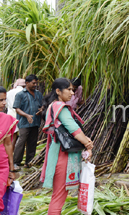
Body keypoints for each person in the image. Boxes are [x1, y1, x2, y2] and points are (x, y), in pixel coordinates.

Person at [40, 78, 93, 215]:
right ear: (58, 91)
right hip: (61, 156)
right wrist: (87, 144)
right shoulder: (59, 106)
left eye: (72, 90)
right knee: (58, 197)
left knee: (58, 196)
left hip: (57, 153)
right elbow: (73, 128)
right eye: (68, 90)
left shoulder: (54, 106)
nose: (72, 93)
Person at [13, 74, 43, 168]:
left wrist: (41, 109)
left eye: (36, 83)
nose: (35, 85)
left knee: (32, 142)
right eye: (33, 83)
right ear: (27, 83)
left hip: (35, 122)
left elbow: (42, 105)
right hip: (24, 122)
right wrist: (26, 115)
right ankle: (16, 162)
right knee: (21, 141)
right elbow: (17, 108)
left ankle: (29, 162)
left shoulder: (38, 93)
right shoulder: (20, 94)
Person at [0, 87, 17, 212]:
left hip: (1, 166)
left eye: (5, 100)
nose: (4, 103)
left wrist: (11, 169)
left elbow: (8, 145)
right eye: (1, 100)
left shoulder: (6, 119)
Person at [6, 79, 25, 153]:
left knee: (11, 137)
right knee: (21, 137)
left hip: (10, 114)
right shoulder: (23, 92)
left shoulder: (8, 92)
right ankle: (14, 156)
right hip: (19, 115)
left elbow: (6, 105)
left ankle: (9, 155)